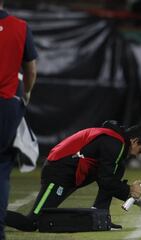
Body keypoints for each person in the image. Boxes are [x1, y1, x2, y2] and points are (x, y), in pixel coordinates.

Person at [5, 121, 141, 232]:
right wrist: (129, 190)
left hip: (70, 174)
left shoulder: (115, 141)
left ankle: (101, 215)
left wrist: (129, 192)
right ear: (134, 141)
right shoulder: (115, 144)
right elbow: (106, 181)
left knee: (117, 168)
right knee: (32, 223)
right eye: (140, 150)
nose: (137, 155)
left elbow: (107, 179)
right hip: (58, 172)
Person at [0, 0, 38, 239]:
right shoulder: (20, 27)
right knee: (2, 170)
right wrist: (27, 93)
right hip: (7, 105)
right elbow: (31, 70)